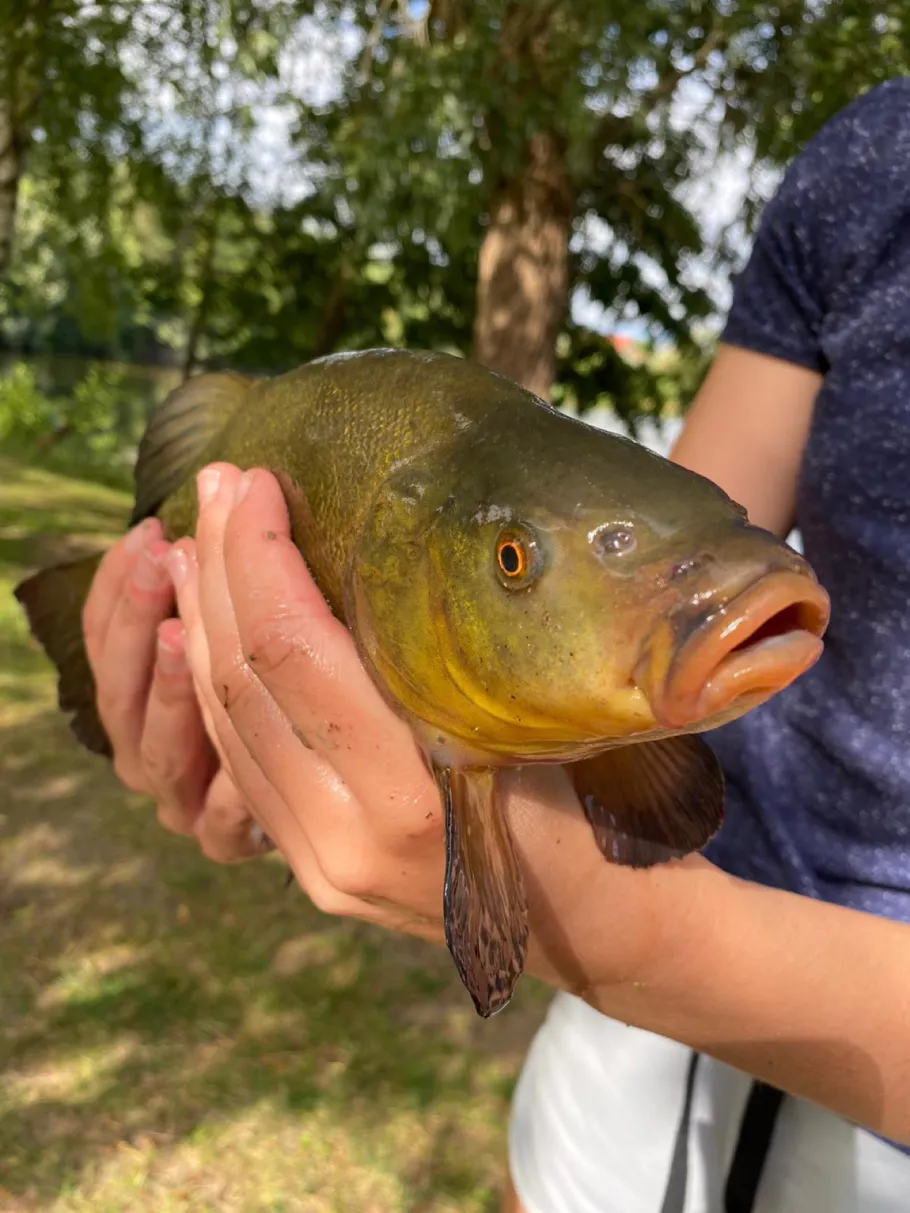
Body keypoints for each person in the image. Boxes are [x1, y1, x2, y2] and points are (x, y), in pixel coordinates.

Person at [82, 78, 910, 1211]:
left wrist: (648, 946)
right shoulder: (867, 155)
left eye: (508, 561)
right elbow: (670, 528)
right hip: (652, 983)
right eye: (512, 561)